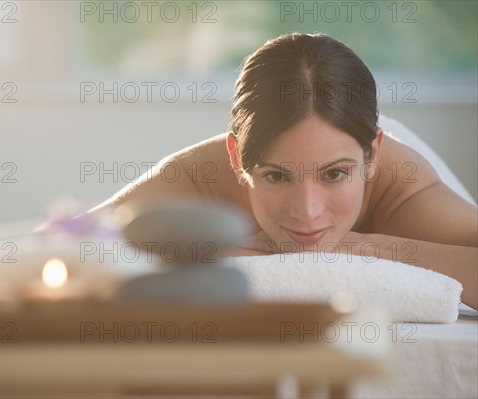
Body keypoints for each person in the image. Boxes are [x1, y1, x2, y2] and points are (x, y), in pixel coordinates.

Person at [88, 33, 478, 309]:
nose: (306, 213)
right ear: (237, 157)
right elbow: (50, 249)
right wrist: (198, 253)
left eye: (334, 175)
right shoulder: (197, 179)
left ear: (372, 154)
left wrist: (366, 248)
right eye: (276, 176)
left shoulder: (401, 186)